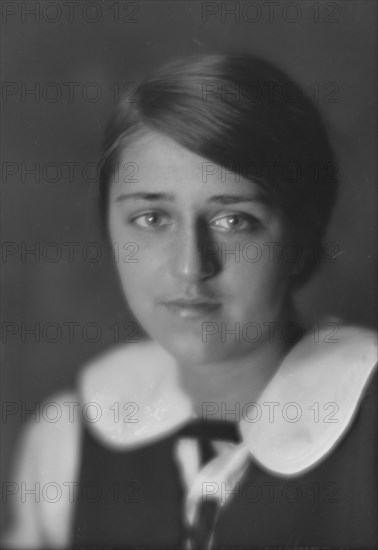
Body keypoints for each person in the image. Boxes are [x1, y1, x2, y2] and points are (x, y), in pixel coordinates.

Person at [3, 53, 377, 549]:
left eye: (233, 221)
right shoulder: (69, 441)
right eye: (152, 219)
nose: (189, 266)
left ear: (303, 238)